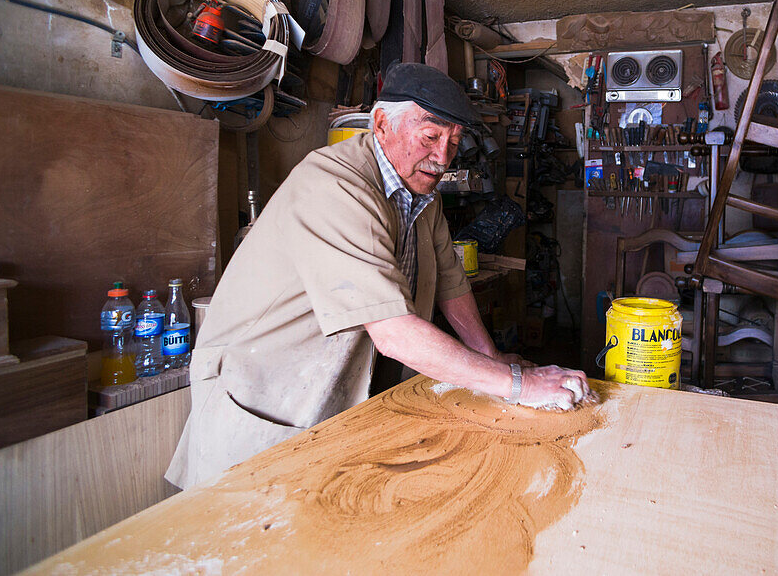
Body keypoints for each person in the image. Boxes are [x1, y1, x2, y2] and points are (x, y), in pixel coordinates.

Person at [166, 62, 589, 490]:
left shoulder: (423, 195)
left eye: (453, 143)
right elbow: (393, 333)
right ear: (382, 123)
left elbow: (450, 282)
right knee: (246, 534)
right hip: (266, 392)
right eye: (430, 137)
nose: (442, 158)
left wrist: (491, 358)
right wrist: (518, 385)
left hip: (334, 393)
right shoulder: (335, 186)